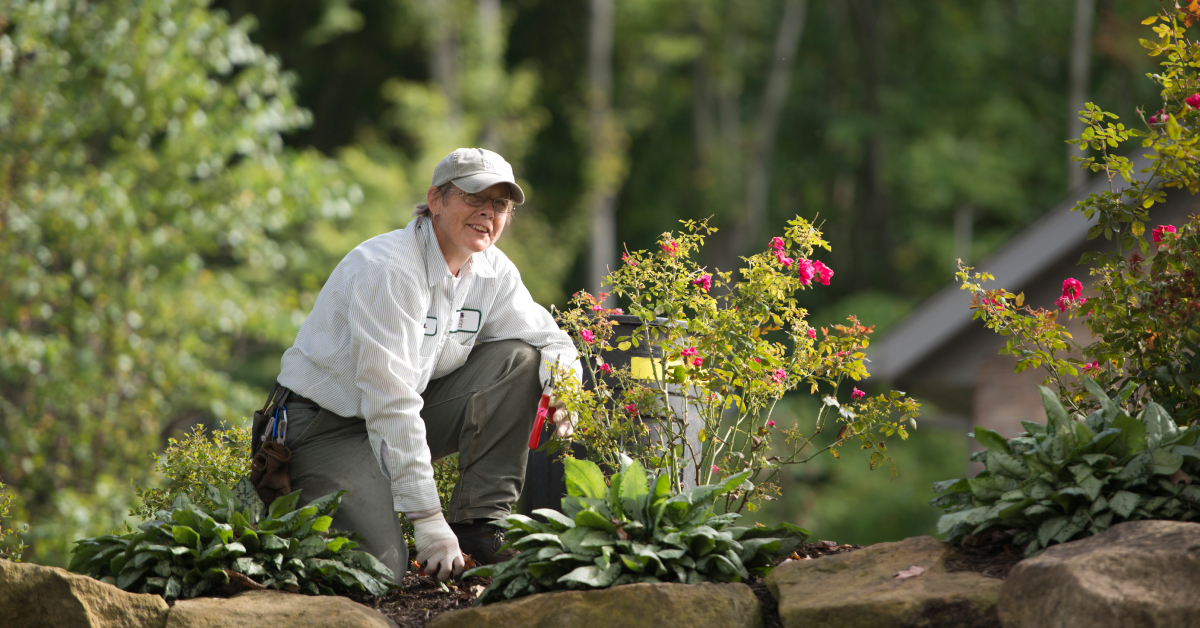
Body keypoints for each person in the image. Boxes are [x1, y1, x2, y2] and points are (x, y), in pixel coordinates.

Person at [269, 148, 581, 583]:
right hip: (326, 424)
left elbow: (550, 340)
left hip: (401, 410)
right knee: (377, 574)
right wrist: (427, 519)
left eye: (501, 205)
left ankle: (478, 529)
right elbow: (390, 402)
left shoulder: (493, 270)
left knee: (521, 361)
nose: (488, 214)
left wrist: (565, 386)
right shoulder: (389, 270)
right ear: (436, 200)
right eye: (475, 198)